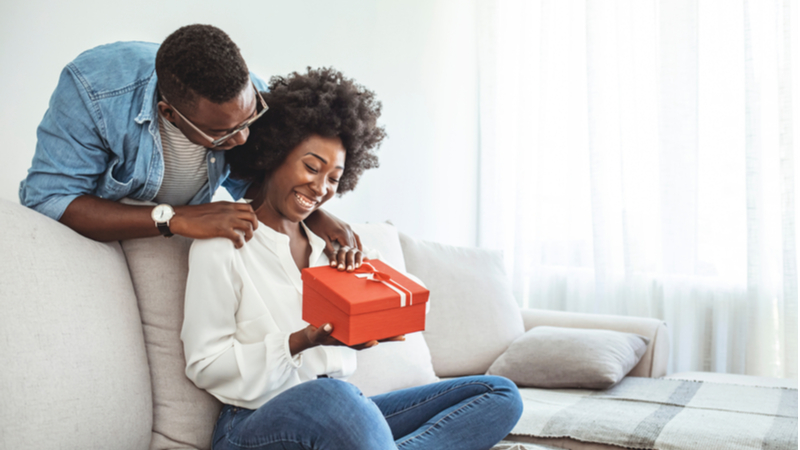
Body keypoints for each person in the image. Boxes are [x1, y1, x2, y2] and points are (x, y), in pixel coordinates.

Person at [181, 67, 523, 450]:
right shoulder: (224, 242)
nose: (321, 188)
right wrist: (301, 342)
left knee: (498, 394)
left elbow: (407, 306)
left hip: (344, 417)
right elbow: (205, 364)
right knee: (334, 398)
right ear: (272, 153)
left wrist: (370, 302)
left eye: (333, 178)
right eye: (312, 167)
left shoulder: (335, 246)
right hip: (253, 423)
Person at [19, 24, 357, 255]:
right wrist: (175, 218)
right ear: (169, 114)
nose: (243, 138)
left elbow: (253, 182)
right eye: (221, 133)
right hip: (95, 243)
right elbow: (49, 199)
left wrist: (311, 215)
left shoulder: (253, 94)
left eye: (249, 118)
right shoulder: (94, 91)